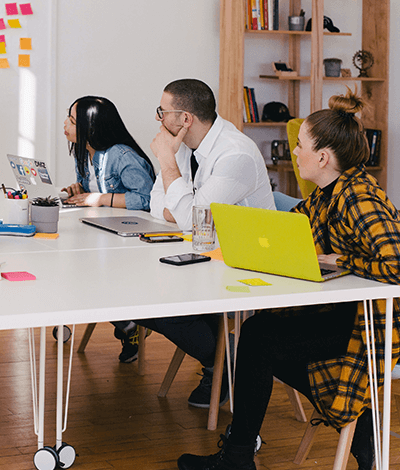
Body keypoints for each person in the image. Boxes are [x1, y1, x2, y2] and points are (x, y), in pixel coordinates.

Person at [177, 87, 400, 470]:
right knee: (260, 337)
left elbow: (396, 262)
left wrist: (339, 258)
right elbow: (292, 229)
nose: (294, 152)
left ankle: (241, 456)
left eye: (300, 145)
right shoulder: (326, 193)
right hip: (345, 311)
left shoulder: (359, 197)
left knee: (260, 340)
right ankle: (358, 434)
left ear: (324, 157)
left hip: (371, 324)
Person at [115, 79, 276, 409]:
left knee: (162, 306)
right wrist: (184, 205)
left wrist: (167, 163)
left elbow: (190, 218)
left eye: (163, 111)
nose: (159, 119)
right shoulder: (188, 148)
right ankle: (222, 358)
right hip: (207, 254)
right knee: (135, 298)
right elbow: (157, 204)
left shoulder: (235, 154)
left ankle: (229, 364)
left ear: (185, 118)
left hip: (244, 262)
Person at [62, 95, 155, 209]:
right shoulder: (83, 151)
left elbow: (147, 199)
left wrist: (101, 199)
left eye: (72, 121)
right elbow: (94, 191)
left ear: (91, 129)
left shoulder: (121, 156)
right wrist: (81, 191)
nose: (65, 122)